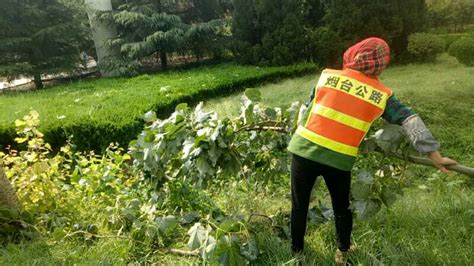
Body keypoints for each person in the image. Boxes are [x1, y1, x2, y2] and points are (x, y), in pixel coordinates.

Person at [286, 37, 457, 265]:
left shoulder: (327, 76)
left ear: (355, 54)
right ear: (382, 64)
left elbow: (306, 111)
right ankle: (342, 252)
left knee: (299, 205)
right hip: (338, 160)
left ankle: (296, 254)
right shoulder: (381, 94)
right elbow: (410, 120)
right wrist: (434, 156)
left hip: (303, 151)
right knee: (341, 207)